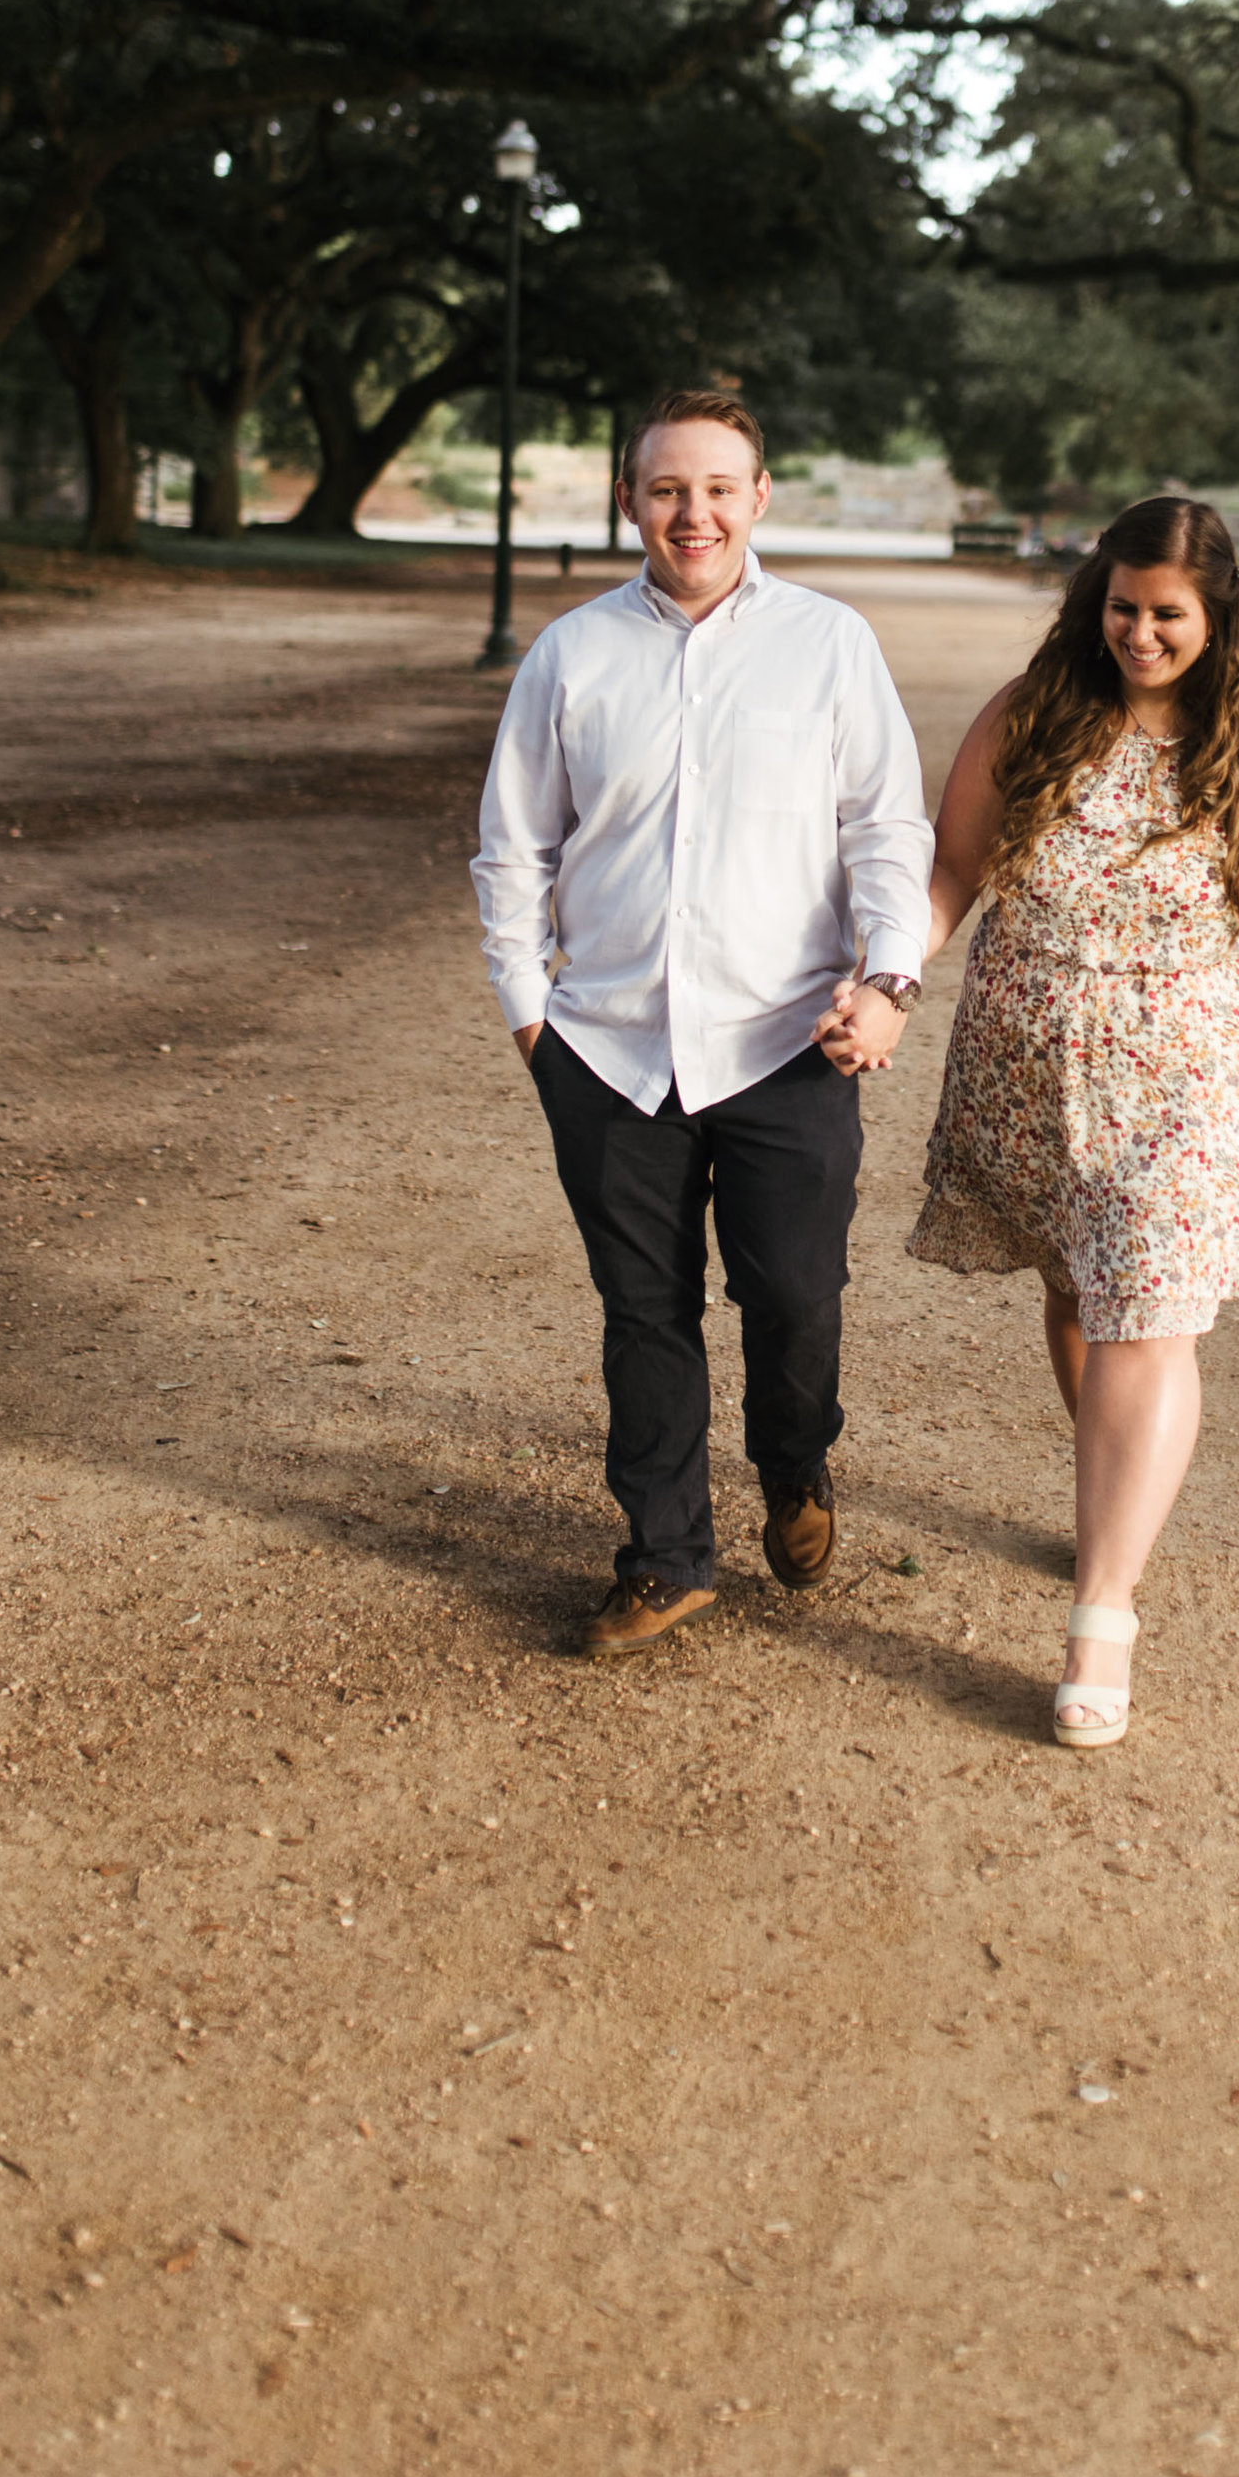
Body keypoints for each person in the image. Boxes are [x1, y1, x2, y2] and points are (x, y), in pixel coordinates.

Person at [891, 494, 1239, 1747]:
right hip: (1036, 1064)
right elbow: (952, 866)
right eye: (1121, 607)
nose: (1140, 633)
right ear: (1093, 600)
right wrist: (892, 977)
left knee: (1148, 1299)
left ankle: (1099, 1617)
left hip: (1204, 1072)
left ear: (1216, 617)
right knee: (1080, 1292)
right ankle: (1115, 1490)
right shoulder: (1031, 714)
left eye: (1168, 614)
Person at [472, 390, 932, 1659]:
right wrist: (532, 1020)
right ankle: (666, 1555)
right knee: (643, 1312)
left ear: (760, 497)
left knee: (795, 1295)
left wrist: (887, 983)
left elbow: (888, 830)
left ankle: (795, 1465)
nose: (695, 513)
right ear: (631, 500)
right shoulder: (570, 655)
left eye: (719, 487)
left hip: (791, 1038)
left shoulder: (830, 645)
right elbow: (511, 852)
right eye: (668, 489)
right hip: (609, 1050)